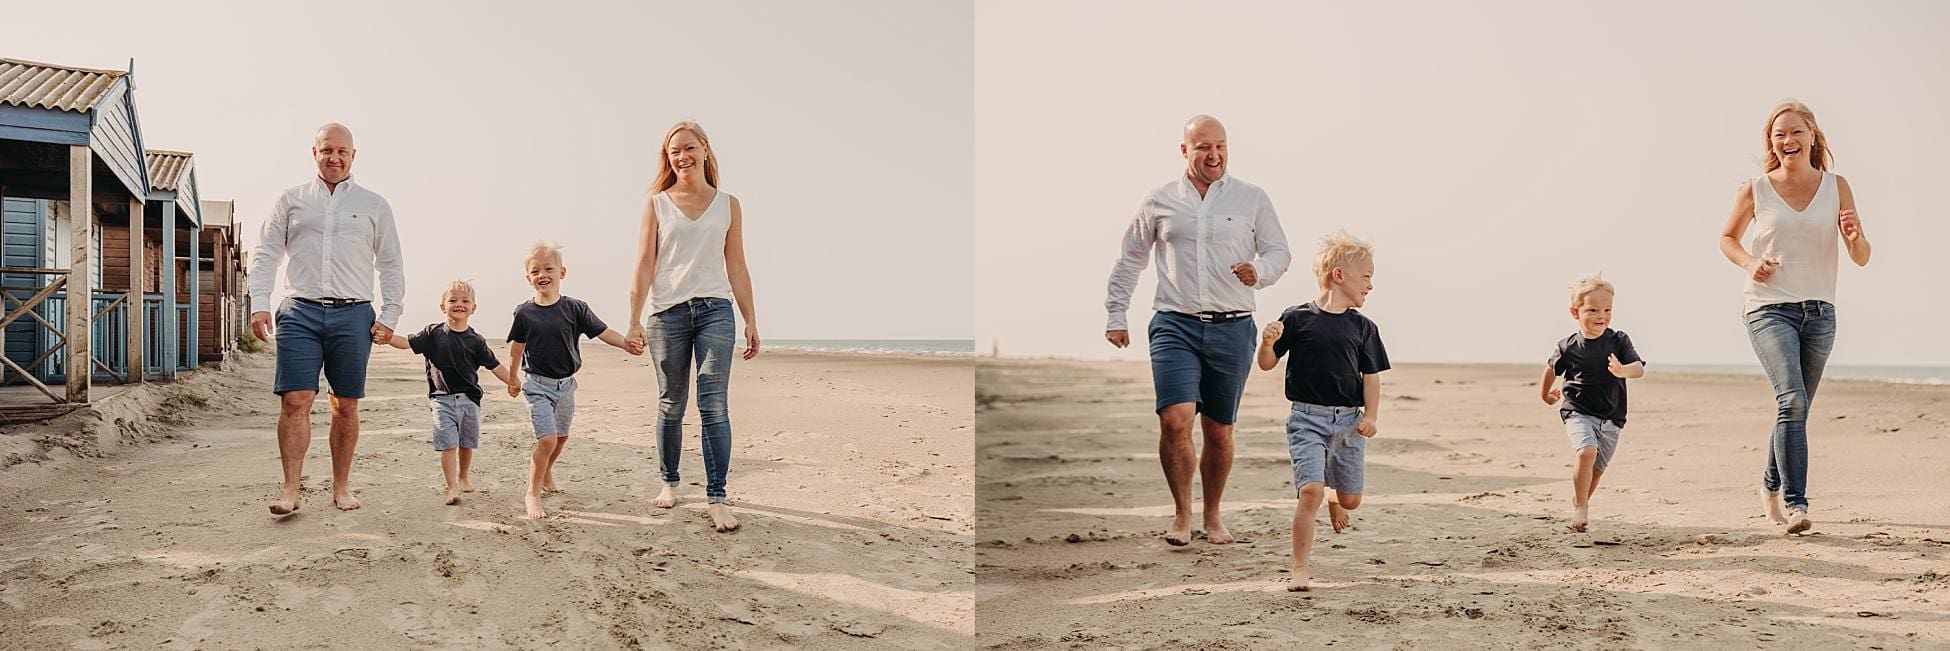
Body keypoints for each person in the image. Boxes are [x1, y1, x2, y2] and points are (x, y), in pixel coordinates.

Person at [1104, 115, 1291, 546]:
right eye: (1204, 147)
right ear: (1185, 151)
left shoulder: (1252, 198)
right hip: (1175, 323)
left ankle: (1213, 515)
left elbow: (1280, 251)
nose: (1214, 155)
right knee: (1175, 419)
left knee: (1220, 430)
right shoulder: (1159, 200)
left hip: (1233, 327)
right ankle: (1181, 515)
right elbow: (1130, 258)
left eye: (1221, 146)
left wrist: (1258, 271)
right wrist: (1117, 314)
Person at [1716, 100, 1871, 535]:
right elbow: (1727, 238)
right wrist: (1750, 263)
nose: (1787, 140)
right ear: (1771, 142)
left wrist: (1855, 237)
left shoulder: (1837, 187)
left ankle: (1768, 484)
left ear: (1813, 136)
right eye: (1778, 134)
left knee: (1796, 408)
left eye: (1796, 132)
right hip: (1768, 307)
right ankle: (1796, 504)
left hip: (1820, 310)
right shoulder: (1756, 188)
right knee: (1793, 401)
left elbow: (1861, 257)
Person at [247, 122, 405, 515]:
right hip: (300, 310)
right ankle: (290, 490)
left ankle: (341, 487)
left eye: (342, 151)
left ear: (353, 156)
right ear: (314, 153)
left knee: (345, 405)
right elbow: (266, 252)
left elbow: (390, 264)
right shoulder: (291, 200)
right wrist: (259, 302)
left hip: (354, 314)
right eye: (327, 150)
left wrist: (390, 314)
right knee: (294, 401)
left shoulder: (374, 205)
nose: (334, 157)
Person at [625, 121, 760, 533]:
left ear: (704, 148)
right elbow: (646, 263)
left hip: (716, 311)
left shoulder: (728, 204)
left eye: (687, 148)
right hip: (667, 313)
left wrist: (751, 317)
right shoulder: (657, 203)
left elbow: (735, 265)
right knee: (671, 402)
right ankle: (669, 482)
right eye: (672, 152)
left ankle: (717, 497)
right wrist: (633, 319)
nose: (681, 157)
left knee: (713, 404)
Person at [1257, 231, 1388, 592]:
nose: (1371, 286)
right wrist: (1266, 343)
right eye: (1366, 277)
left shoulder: (1364, 327)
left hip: (1348, 421)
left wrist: (1371, 416)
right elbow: (1268, 364)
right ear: (1339, 276)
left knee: (1351, 500)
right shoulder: (1297, 318)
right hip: (1306, 419)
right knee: (1309, 492)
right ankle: (1300, 568)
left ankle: (1335, 495)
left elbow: (1371, 378)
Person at [506, 244, 642, 519]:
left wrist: (625, 344)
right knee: (547, 439)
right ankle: (532, 494)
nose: (542, 275)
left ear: (562, 272)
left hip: (566, 385)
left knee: (562, 437)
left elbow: (603, 332)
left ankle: (547, 471)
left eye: (548, 269)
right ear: (528, 278)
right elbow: (516, 347)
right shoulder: (524, 312)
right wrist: (512, 378)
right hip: (537, 385)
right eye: (535, 271)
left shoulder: (575, 308)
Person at [382, 280, 513, 505]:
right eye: (452, 300)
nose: (458, 304)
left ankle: (463, 477)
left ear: (473, 308)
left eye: (465, 301)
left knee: (467, 442)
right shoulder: (433, 333)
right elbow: (407, 343)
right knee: (448, 442)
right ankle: (452, 486)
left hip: (470, 400)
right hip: (441, 399)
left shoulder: (477, 340)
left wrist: (513, 382)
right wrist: (386, 337)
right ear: (443, 307)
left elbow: (495, 366)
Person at [1540, 275, 1645, 533]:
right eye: (1593, 310)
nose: (1602, 315)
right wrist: (1545, 395)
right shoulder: (1568, 347)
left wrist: (1622, 371)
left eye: (1608, 310)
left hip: (1612, 415)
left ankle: (1581, 499)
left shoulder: (1618, 340)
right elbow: (1551, 370)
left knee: (1597, 470)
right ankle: (1581, 508)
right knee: (1586, 452)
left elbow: (1638, 369)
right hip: (1577, 410)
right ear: (1575, 312)